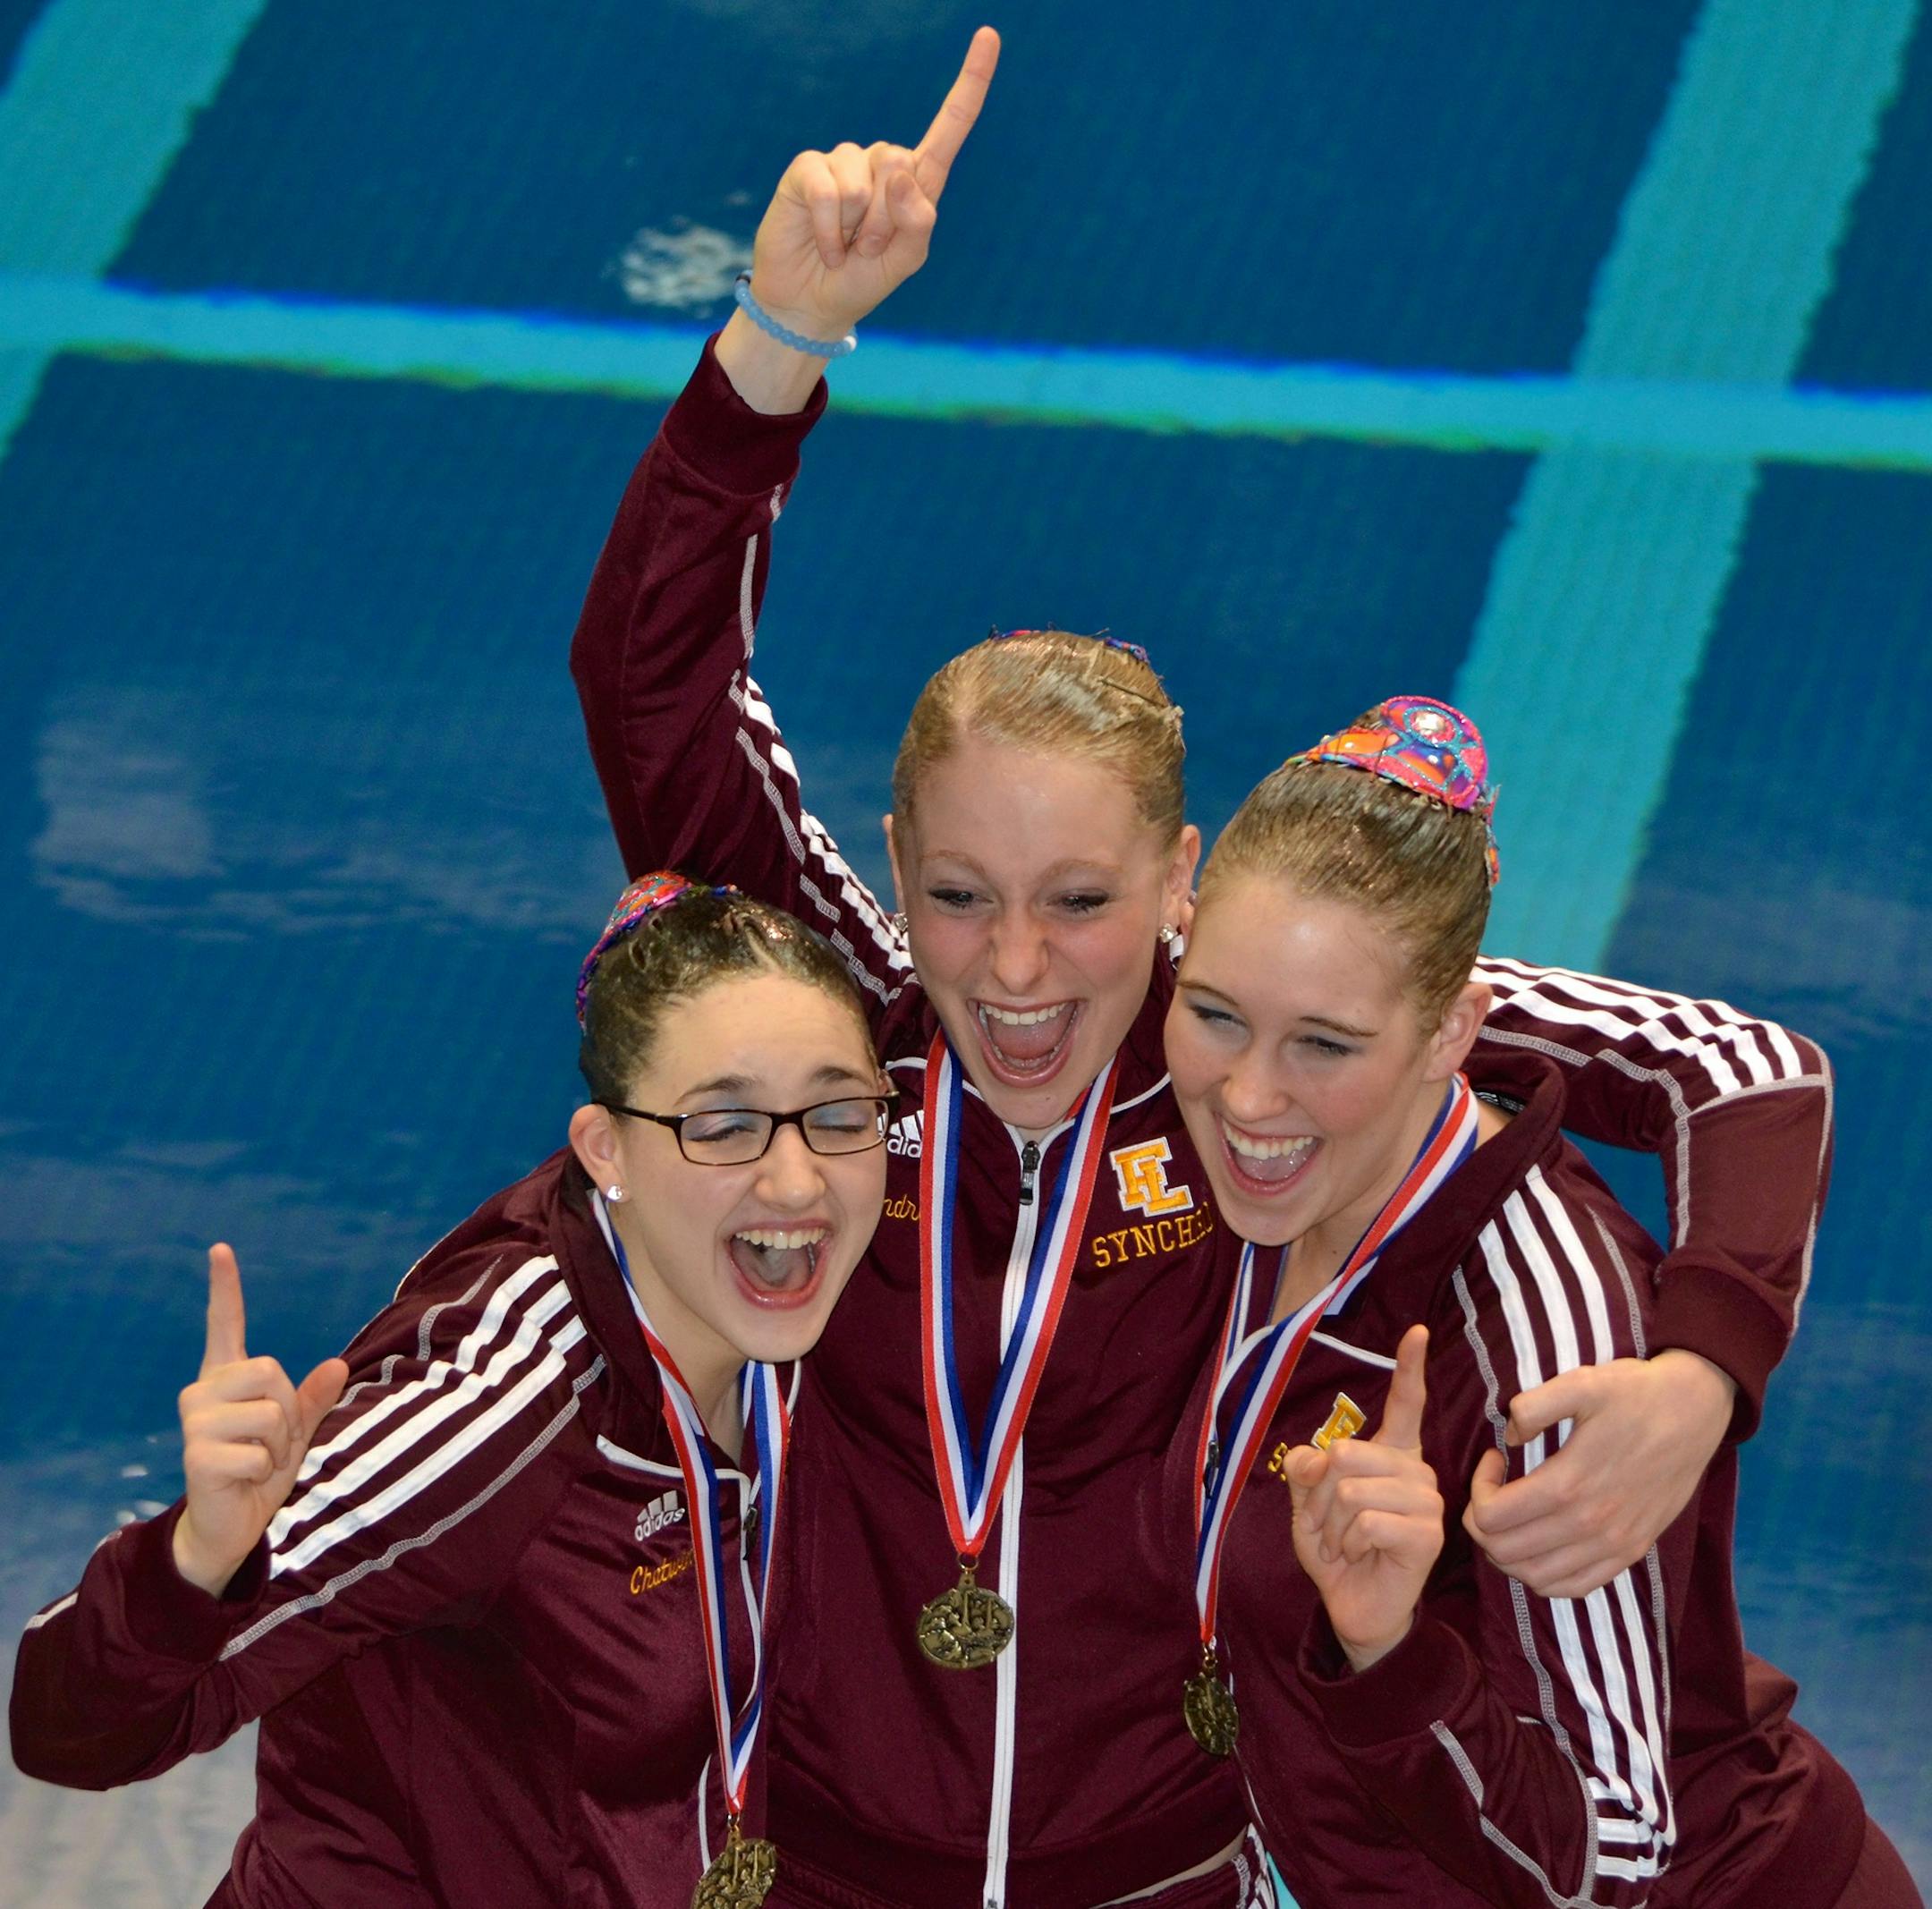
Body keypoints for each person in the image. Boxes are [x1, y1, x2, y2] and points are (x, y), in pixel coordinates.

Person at [570, 32, 1835, 1905]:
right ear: (893, 874)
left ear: (1174, 883)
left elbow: (1736, 1066)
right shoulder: (849, 1023)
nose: (1016, 966)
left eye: (1081, 900)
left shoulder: (1250, 1045)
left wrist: (1711, 1363)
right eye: (961, 893)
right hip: (828, 1859)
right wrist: (777, 337)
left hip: (1171, 1870)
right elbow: (650, 688)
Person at [1158, 698, 1919, 1908]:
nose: (1248, 1096)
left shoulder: (1544, 1344)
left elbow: (1610, 1856)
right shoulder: (1255, 1109)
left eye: (1325, 1045)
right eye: (1214, 1015)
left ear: (1454, 1031)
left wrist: (1390, 1656)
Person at [11, 875, 894, 1909]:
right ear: (606, 1151)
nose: (795, 1180)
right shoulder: (505, 1406)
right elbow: (68, 1727)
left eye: (837, 1112)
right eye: (724, 1124)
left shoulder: (794, 1301)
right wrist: (194, 1563)